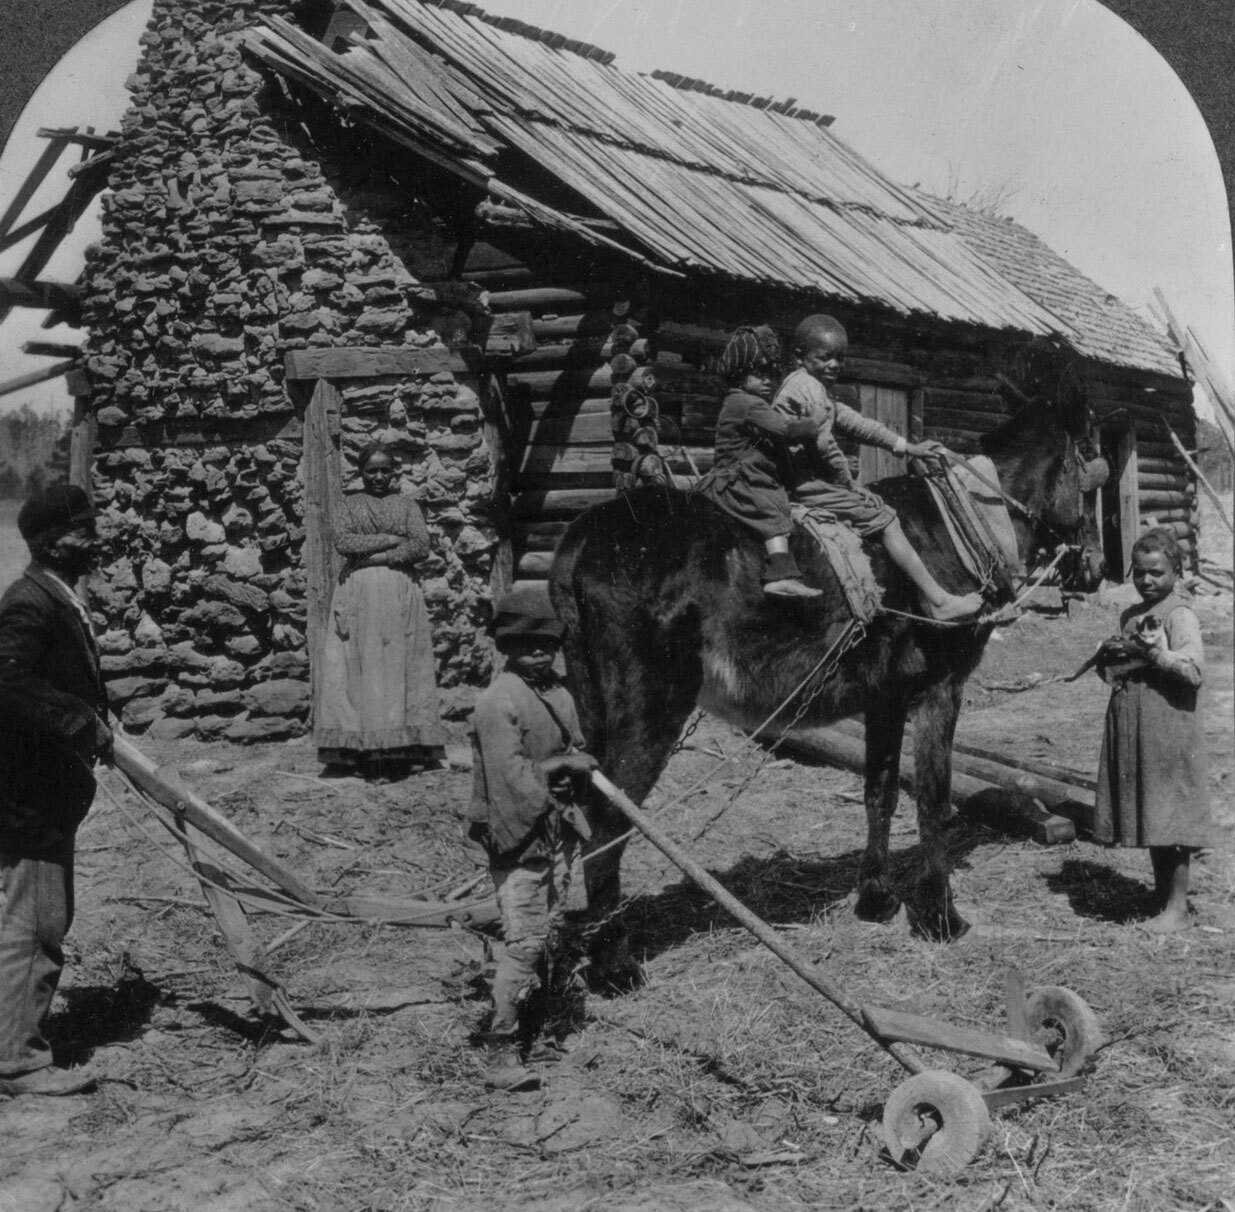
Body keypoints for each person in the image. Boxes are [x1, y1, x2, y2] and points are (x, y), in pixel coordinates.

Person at [0, 483, 112, 1096]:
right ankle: (16, 1062)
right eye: (82, 530)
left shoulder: (57, 595)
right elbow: (7, 683)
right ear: (49, 541)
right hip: (31, 796)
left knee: (43, 917)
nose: (92, 538)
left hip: (45, 791)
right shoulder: (30, 603)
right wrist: (77, 719)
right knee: (35, 923)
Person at [466, 588, 597, 1091]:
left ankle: (539, 1030)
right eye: (527, 645)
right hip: (515, 833)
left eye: (548, 643)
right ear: (506, 646)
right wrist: (561, 767)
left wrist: (573, 767)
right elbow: (507, 777)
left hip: (555, 829)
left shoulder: (558, 694)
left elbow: (574, 745)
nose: (540, 652)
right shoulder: (497, 702)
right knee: (522, 942)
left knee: (552, 930)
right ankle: (501, 1052)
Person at [773, 314, 984, 620]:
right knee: (886, 519)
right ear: (799, 357)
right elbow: (824, 445)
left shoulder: (811, 387)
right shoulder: (809, 388)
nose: (834, 365)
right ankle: (938, 601)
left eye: (840, 358)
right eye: (825, 358)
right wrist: (847, 484)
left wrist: (907, 447)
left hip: (803, 479)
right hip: (805, 483)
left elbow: (858, 425)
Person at [1093, 528, 1214, 933]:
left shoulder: (1179, 614)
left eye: (1156, 573)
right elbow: (1120, 673)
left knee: (1173, 816)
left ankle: (1178, 908)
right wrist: (1109, 660)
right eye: (1140, 573)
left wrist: (1156, 653)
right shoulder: (1130, 616)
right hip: (1138, 729)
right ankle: (1162, 896)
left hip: (1169, 729)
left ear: (1176, 572)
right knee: (1152, 812)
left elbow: (1194, 670)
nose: (1146, 580)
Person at [315, 443, 447, 779]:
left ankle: (400, 751)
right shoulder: (348, 505)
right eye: (371, 470)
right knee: (362, 666)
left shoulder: (406, 505)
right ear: (361, 473)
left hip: (399, 591)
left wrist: (377, 554)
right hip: (358, 594)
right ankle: (364, 753)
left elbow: (420, 544)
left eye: (384, 470)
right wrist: (391, 539)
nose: (377, 477)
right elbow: (344, 542)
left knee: (399, 665)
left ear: (394, 472)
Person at [694, 324, 831, 597]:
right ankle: (781, 574)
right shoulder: (748, 404)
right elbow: (784, 430)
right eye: (759, 374)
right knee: (770, 510)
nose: (768, 380)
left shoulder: (741, 401)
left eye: (770, 374)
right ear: (739, 375)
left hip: (741, 473)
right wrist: (813, 421)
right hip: (739, 480)